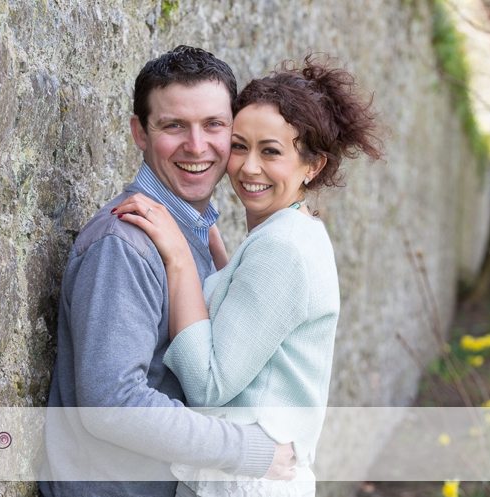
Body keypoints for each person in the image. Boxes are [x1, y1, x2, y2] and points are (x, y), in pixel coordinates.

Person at [113, 55, 382, 496]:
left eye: (271, 151)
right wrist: (209, 241)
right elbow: (247, 316)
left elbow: (209, 384)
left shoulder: (283, 248)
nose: (248, 167)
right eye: (240, 145)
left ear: (312, 166)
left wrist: (180, 257)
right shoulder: (291, 232)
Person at [39, 46, 295, 497]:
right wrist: (250, 451)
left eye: (213, 124)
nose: (197, 146)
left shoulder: (190, 235)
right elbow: (113, 402)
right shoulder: (125, 245)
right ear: (140, 132)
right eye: (174, 125)